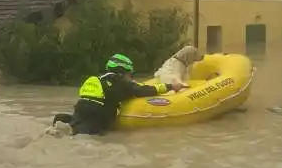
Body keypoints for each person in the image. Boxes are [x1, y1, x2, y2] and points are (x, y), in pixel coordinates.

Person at [52, 53, 184, 136]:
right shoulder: (120, 82)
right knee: (87, 137)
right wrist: (170, 86)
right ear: (123, 72)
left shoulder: (98, 78)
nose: (130, 77)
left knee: (73, 128)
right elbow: (142, 91)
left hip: (80, 108)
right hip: (97, 115)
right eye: (130, 74)